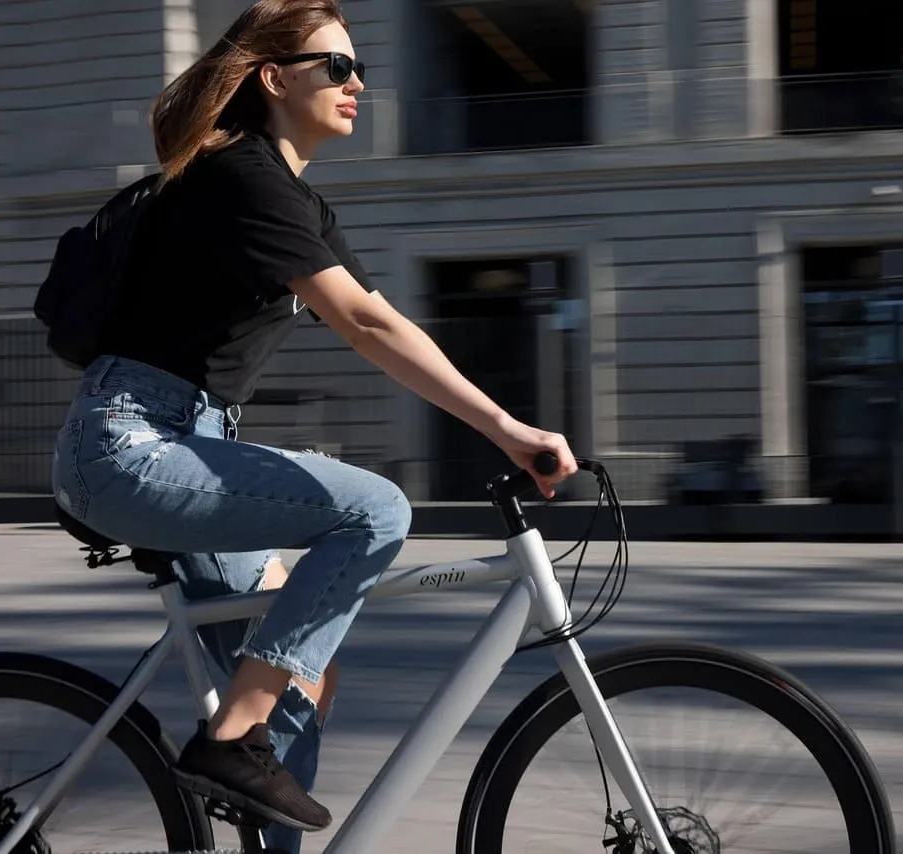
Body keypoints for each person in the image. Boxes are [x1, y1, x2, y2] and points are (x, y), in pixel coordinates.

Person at [49, 0, 577, 851]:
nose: (356, 82)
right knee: (375, 510)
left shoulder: (291, 199)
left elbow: (383, 316)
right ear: (274, 79)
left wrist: (502, 424)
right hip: (132, 444)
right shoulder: (238, 176)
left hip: (186, 444)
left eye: (358, 67)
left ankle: (246, 746)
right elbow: (365, 331)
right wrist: (510, 429)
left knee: (298, 686)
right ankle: (227, 741)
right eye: (335, 66)